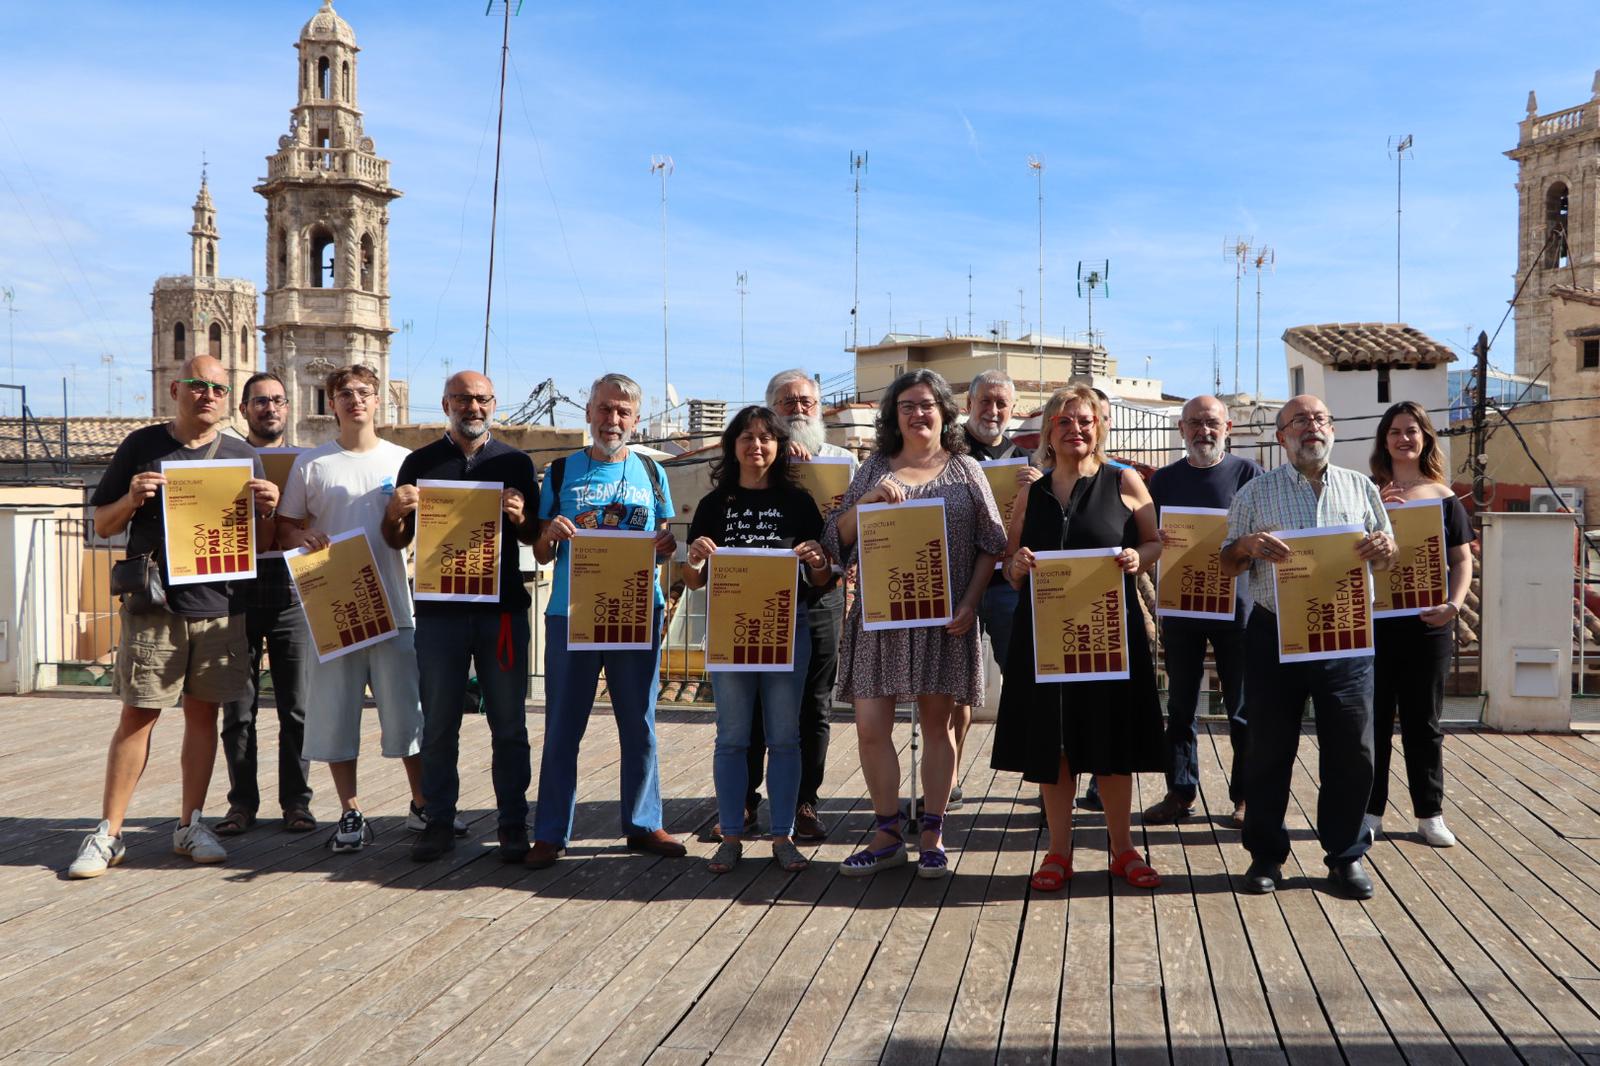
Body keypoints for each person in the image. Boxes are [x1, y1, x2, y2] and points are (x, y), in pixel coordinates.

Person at [69, 355, 278, 878]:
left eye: (216, 388)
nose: (206, 394)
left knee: (203, 716)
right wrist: (133, 498)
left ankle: (190, 824)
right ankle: (110, 833)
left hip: (220, 604)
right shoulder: (142, 446)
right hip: (155, 604)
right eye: (196, 385)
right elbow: (102, 520)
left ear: (227, 398)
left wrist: (269, 506)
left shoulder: (241, 455)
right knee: (139, 713)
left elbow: (258, 539)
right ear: (173, 389)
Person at [822, 369, 1006, 878]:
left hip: (945, 620)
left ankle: (931, 832)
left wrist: (970, 603)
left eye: (927, 404)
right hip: (881, 618)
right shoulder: (873, 467)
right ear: (893, 415)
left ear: (945, 412)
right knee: (870, 727)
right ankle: (886, 833)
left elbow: (993, 544)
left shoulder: (967, 470)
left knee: (938, 724)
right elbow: (834, 537)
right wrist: (867, 503)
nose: (918, 413)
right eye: (907, 405)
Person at [1220, 394, 1396, 899]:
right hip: (1275, 634)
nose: (1311, 426)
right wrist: (1248, 546)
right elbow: (1227, 562)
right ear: (1281, 437)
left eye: (1320, 418)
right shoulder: (1256, 493)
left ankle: (1344, 856)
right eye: (1298, 420)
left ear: (1332, 430)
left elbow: (1386, 556)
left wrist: (1385, 548)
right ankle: (1266, 856)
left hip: (1346, 636)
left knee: (1352, 750)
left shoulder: (1361, 488)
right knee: (1268, 749)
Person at [991, 385, 1166, 891]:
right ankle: (1058, 852)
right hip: (1045, 634)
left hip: (1110, 632)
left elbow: (1154, 541)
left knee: (1111, 738)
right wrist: (1017, 564)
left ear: (1099, 427)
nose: (1076, 430)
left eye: (1085, 421)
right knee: (1056, 742)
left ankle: (1123, 848)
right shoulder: (1033, 490)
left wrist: (1140, 558)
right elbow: (1009, 562)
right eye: (1065, 422)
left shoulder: (1124, 480)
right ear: (1049, 431)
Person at [278, 365, 443, 853]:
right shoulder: (311, 464)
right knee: (334, 714)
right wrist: (302, 536)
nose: (355, 401)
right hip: (333, 606)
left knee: (407, 713)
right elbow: (284, 529)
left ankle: (421, 805)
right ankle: (350, 812)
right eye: (345, 393)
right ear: (333, 403)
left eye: (364, 393)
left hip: (394, 603)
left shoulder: (405, 460)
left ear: (378, 401)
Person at [385, 370, 541, 863]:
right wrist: (394, 510)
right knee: (438, 725)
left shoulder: (516, 462)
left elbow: (536, 542)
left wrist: (520, 518)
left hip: (502, 614)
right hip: (439, 614)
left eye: (481, 399)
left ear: (494, 403)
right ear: (445, 402)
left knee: (510, 725)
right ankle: (438, 821)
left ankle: (513, 823)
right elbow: (397, 540)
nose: (473, 407)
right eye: (462, 399)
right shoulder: (420, 461)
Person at [530, 372, 683, 868]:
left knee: (639, 722)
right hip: (570, 616)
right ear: (589, 412)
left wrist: (666, 547)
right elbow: (540, 551)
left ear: (636, 420)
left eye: (622, 411)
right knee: (562, 727)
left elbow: (663, 547)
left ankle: (643, 823)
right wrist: (550, 532)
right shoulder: (559, 472)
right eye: (604, 408)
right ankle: (552, 832)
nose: (612, 419)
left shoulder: (653, 474)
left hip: (637, 613)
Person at [683, 405, 833, 874]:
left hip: (789, 633)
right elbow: (693, 582)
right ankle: (730, 836)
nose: (756, 446)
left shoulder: (800, 503)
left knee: (785, 738)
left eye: (767, 438)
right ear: (733, 446)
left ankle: (783, 837)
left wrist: (816, 559)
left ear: (780, 446)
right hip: (731, 634)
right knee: (730, 738)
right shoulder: (714, 505)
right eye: (747, 437)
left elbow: (823, 577)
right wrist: (693, 560)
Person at [730, 368, 858, 843]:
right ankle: (744, 800)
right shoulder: (764, 459)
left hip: (822, 596)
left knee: (814, 706)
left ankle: (806, 802)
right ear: (770, 409)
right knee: (755, 705)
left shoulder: (845, 461)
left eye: (807, 402)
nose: (799, 409)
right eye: (787, 402)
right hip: (758, 597)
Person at [1143, 395, 1262, 827]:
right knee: (1180, 707)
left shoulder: (1249, 473)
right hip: (1181, 609)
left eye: (1211, 422)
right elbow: (1147, 538)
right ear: (1181, 429)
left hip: (1238, 609)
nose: (1203, 431)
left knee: (1242, 708)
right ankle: (1180, 792)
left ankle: (1246, 797)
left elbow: (1265, 531)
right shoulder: (1163, 480)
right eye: (1194, 423)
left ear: (1227, 427)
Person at [1366, 400, 1472, 848]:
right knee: (1372, 720)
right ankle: (1370, 813)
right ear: (1384, 440)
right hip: (1374, 623)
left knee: (1423, 721)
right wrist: (1378, 512)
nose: (1404, 438)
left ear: (1425, 437)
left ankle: (1430, 813)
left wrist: (1453, 604)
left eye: (1412, 430)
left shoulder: (1445, 498)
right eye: (1395, 431)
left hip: (1428, 624)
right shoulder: (1366, 492)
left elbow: (1461, 559)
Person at [216, 371, 316, 837]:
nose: (269, 408)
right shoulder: (222, 460)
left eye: (277, 400)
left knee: (296, 706)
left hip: (293, 589)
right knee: (238, 708)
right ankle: (242, 804)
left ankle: (297, 803)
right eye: (260, 401)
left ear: (288, 408)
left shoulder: (309, 464)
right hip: (235, 589)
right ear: (244, 410)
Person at [953, 369, 1041, 811]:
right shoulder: (946, 452)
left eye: (1001, 404)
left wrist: (1035, 492)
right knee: (955, 686)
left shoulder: (1025, 459)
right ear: (969, 403)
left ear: (1013, 410)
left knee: (1025, 677)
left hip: (1008, 583)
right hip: (956, 582)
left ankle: (1045, 780)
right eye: (984, 401)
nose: (992, 411)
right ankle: (948, 778)